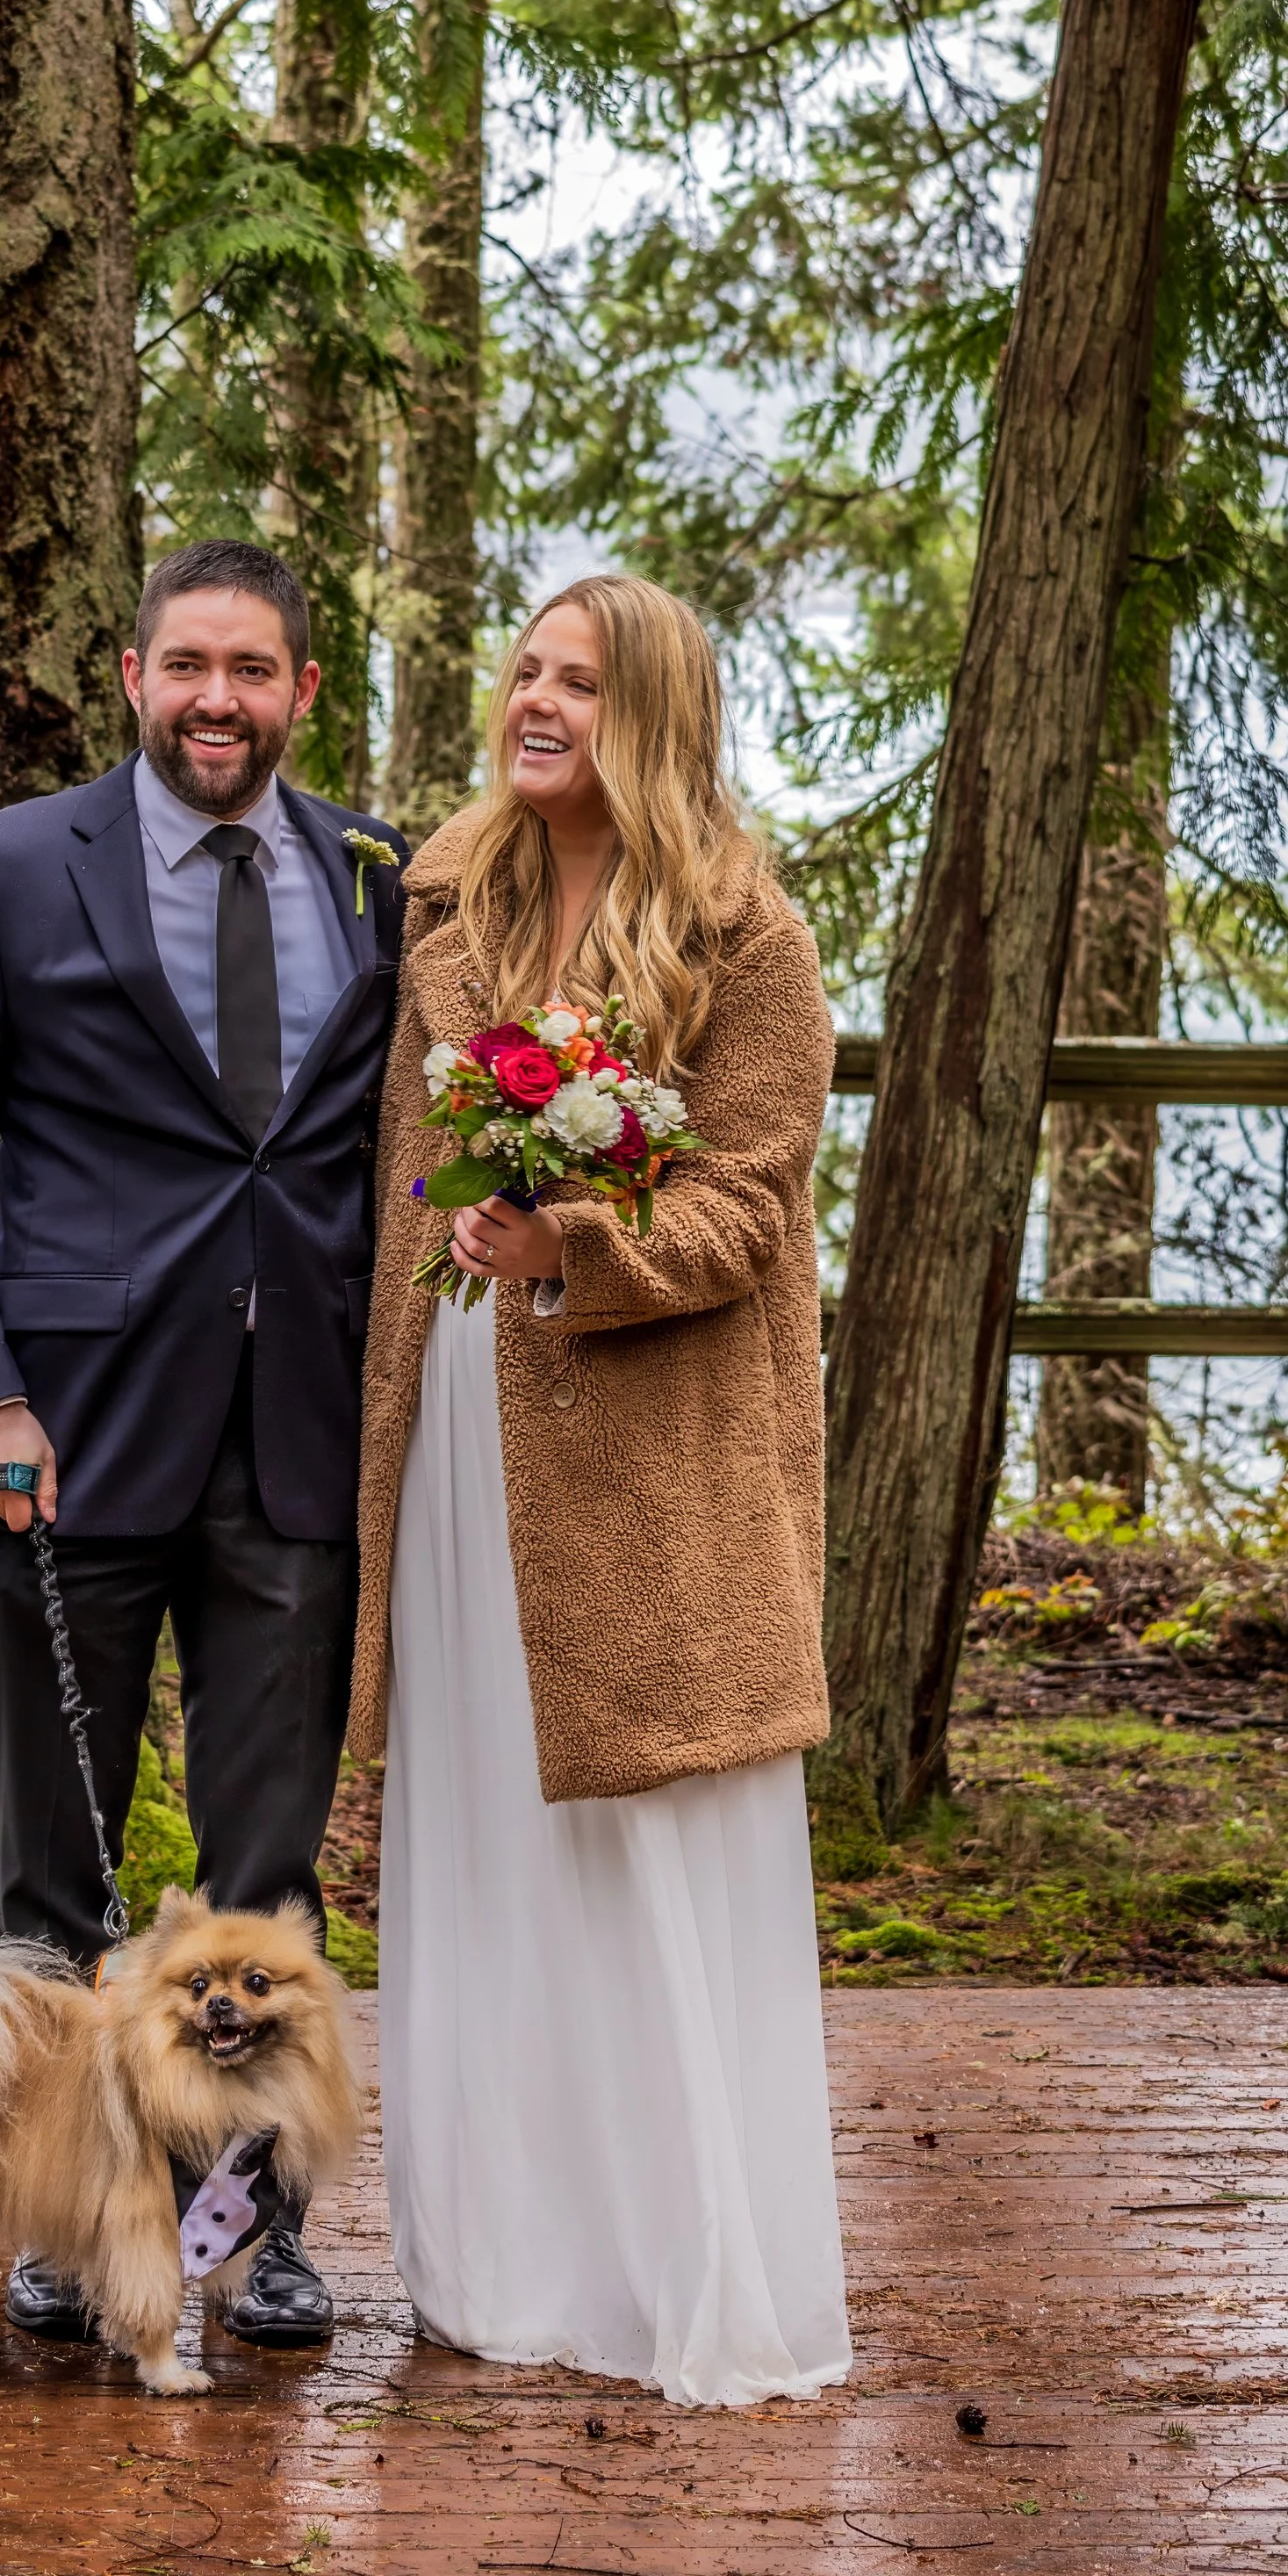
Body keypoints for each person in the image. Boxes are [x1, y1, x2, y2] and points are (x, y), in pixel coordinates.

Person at [0, 538, 403, 2350]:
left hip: (299, 1450)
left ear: (303, 690)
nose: (216, 700)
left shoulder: (384, 884)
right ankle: (58, 2219)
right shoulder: (6, 869)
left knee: (266, 1881)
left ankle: (254, 2235)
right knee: (49, 1884)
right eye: (185, 666)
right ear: (130, 672)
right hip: (61, 1449)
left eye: (251, 668)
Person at [349, 574, 852, 2405]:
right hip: (460, 1438)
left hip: (643, 1459)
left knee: (634, 1845)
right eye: (523, 672)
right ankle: (501, 2257)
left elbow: (748, 1203)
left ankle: (672, 2271)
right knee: (479, 1834)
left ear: (650, 713)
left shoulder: (745, 938)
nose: (533, 702)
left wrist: (567, 1239)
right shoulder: (443, 900)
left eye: (576, 682)